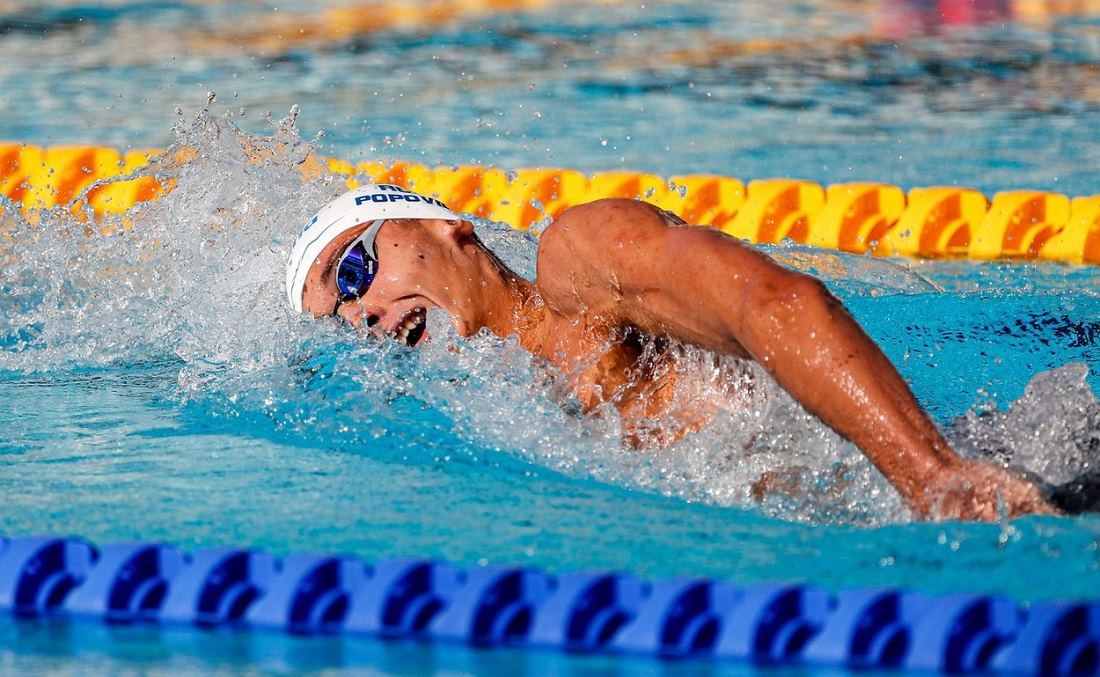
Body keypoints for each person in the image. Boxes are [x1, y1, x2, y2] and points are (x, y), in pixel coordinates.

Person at [286, 182, 1057, 522]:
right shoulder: (511, 419)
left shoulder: (577, 266)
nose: (364, 316)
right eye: (341, 321)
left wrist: (932, 476)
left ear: (444, 227)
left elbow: (776, 303)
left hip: (1005, 464)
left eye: (352, 270)